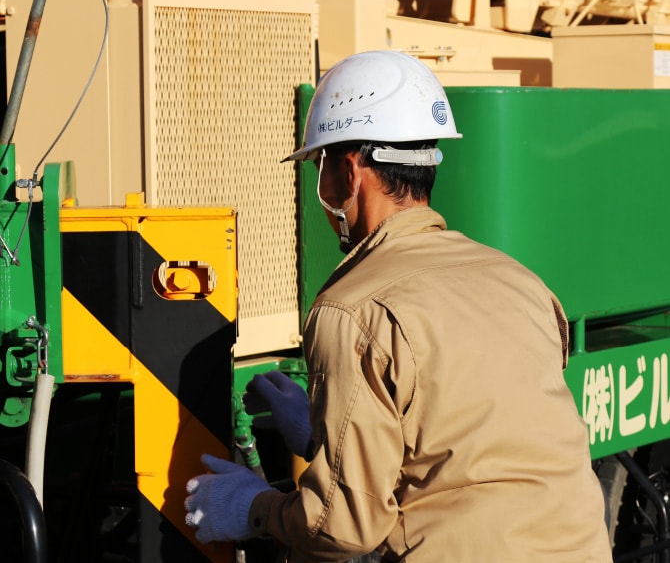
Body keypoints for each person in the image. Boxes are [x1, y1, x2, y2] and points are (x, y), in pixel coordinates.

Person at [185, 50, 612, 562]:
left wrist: (253, 507)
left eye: (318, 169)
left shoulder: (351, 310)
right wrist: (326, 436)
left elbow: (344, 528)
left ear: (347, 171)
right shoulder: (518, 279)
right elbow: (468, 439)